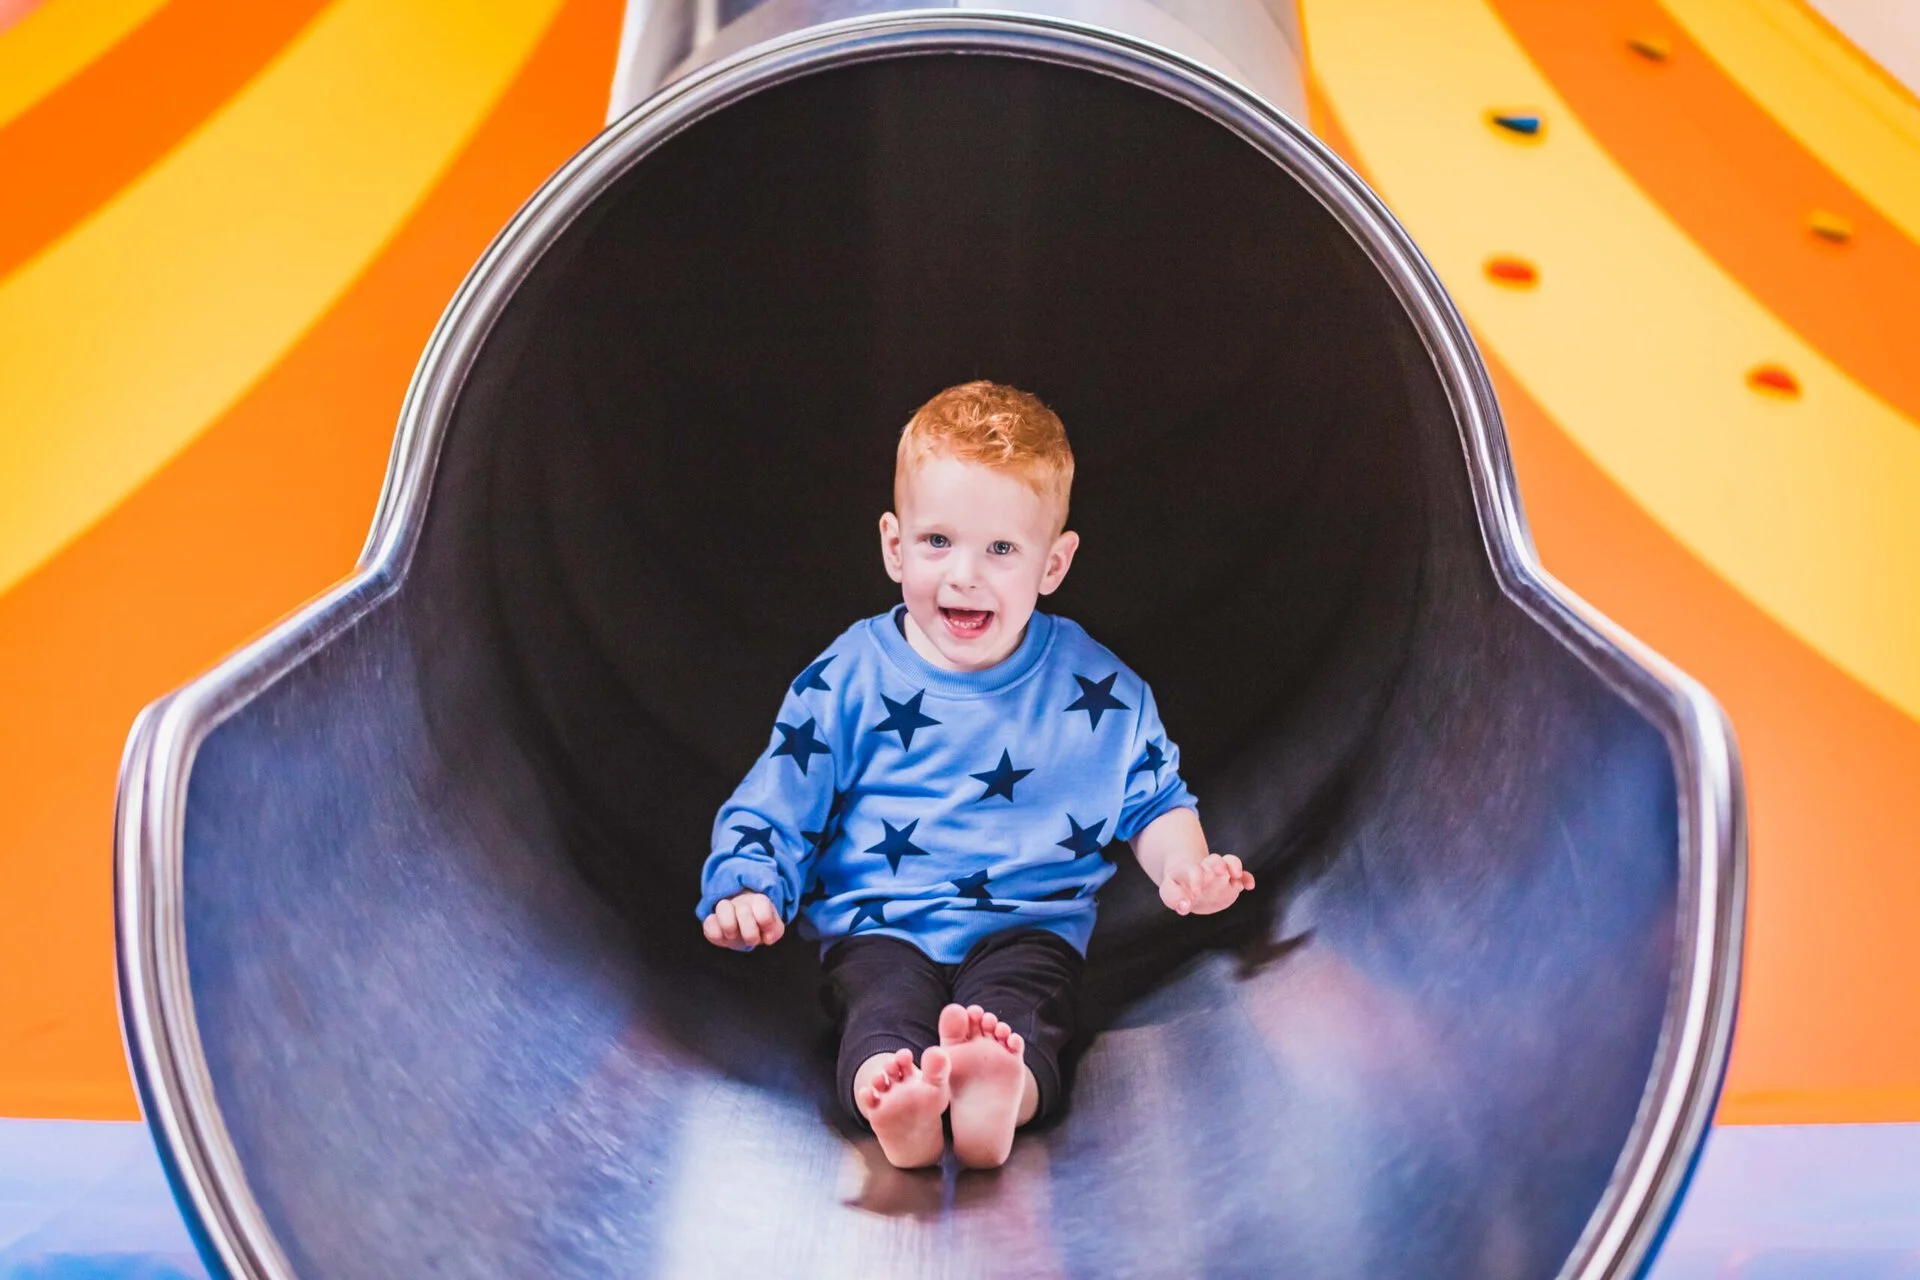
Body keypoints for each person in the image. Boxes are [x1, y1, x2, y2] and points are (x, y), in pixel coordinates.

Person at [695, 380, 1254, 1170]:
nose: (965, 576)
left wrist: (1187, 868)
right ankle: (897, 1101)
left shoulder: (1100, 693)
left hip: (1028, 928)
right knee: (881, 1014)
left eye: (1001, 550)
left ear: (1053, 563)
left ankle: (997, 1094)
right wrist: (750, 882)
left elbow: (1155, 799)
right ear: (893, 545)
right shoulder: (849, 677)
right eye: (937, 543)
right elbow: (781, 795)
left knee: (1019, 1017)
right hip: (879, 927)